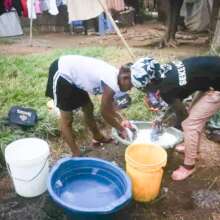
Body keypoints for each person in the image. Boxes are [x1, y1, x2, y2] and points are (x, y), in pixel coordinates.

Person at [130, 56, 220, 181]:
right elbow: (176, 102)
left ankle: (189, 166)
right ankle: (194, 151)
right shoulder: (164, 72)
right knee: (193, 118)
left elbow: (182, 115)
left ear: (150, 82)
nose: (145, 92)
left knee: (189, 124)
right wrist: (162, 118)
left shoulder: (166, 88)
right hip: (211, 79)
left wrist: (166, 128)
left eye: (144, 88)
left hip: (217, 87)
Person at [45, 55, 132, 156]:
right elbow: (104, 112)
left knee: (88, 107)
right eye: (131, 85)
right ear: (125, 78)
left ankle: (97, 136)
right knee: (67, 119)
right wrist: (121, 129)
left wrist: (122, 120)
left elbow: (110, 106)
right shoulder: (111, 82)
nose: (130, 89)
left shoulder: (119, 80)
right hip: (63, 73)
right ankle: (76, 153)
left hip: (75, 76)